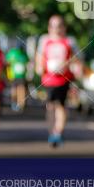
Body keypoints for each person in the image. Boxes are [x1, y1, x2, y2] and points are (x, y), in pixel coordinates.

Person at [35, 15, 81, 147]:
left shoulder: (70, 41)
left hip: (64, 79)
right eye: (52, 26)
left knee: (61, 105)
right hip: (48, 79)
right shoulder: (44, 40)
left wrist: (68, 65)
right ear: (49, 27)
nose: (56, 29)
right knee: (50, 106)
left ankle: (58, 133)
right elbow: (40, 56)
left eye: (59, 25)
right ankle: (52, 131)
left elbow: (77, 58)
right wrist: (39, 67)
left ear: (64, 27)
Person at [5, 40, 29, 112]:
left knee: (20, 89)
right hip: (13, 75)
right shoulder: (12, 53)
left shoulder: (23, 54)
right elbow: (7, 63)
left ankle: (20, 105)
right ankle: (16, 103)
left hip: (21, 76)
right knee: (15, 90)